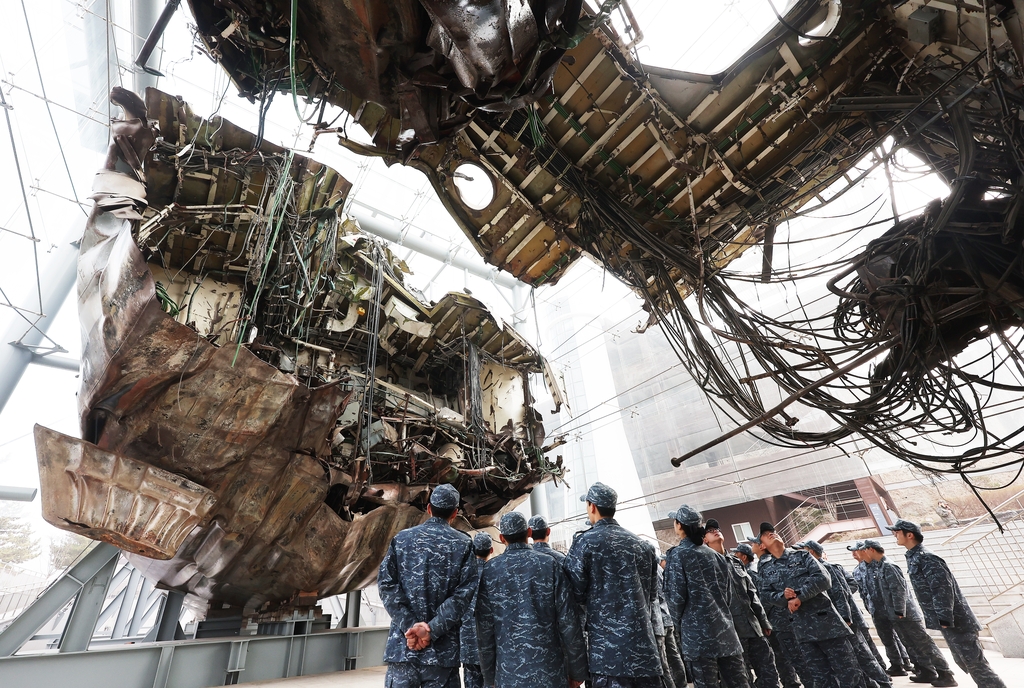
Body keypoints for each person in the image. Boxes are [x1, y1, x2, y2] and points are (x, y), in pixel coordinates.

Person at [377, 484, 478, 688]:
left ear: (429, 508)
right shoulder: (463, 544)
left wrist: (410, 626)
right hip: (442, 655)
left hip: (404, 649)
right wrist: (431, 630)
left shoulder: (402, 539)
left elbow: (386, 585)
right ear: (455, 513)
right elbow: (462, 597)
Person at [564, 482, 663, 687]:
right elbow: (653, 594)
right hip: (646, 654)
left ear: (592, 506)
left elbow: (575, 594)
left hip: (609, 658)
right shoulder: (643, 546)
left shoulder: (585, 543)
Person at [888, 519, 1006, 688]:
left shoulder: (927, 557)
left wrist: (944, 619)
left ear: (909, 535)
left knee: (976, 664)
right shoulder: (915, 557)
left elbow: (942, 589)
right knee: (967, 662)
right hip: (949, 622)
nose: (894, 535)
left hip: (956, 621)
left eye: (897, 532)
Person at [475, 512, 588, 688]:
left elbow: (484, 631)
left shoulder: (490, 571)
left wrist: (490, 678)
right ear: (528, 532)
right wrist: (577, 671)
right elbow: (569, 622)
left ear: (501, 538)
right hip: (550, 672)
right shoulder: (549, 564)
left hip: (508, 675)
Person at [757, 522, 865, 688]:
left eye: (773, 531)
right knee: (820, 677)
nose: (771, 533)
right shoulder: (766, 568)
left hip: (827, 624)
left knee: (848, 671)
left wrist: (799, 596)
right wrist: (782, 597)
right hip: (800, 630)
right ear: (762, 545)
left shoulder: (802, 556)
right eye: (766, 534)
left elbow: (824, 578)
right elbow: (765, 594)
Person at [663, 506, 750, 688]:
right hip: (726, 632)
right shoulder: (716, 556)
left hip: (698, 639)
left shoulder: (678, 556)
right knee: (739, 683)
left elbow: (675, 599)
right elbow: (727, 595)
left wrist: (682, 626)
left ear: (679, 525)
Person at [861, 539, 958, 686]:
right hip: (896, 615)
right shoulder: (881, 567)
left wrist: (899, 611)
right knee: (912, 645)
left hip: (906, 615)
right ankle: (927, 671)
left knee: (924, 644)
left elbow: (898, 590)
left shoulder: (889, 566)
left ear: (871, 550)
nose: (863, 553)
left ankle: (946, 673)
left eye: (865, 550)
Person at [794, 540, 891, 688]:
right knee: (851, 659)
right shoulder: (809, 572)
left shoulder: (827, 568)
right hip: (833, 622)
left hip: (846, 620)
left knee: (862, 655)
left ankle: (884, 682)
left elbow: (840, 594)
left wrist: (845, 618)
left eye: (801, 551)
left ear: (811, 553)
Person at [705, 520, 778, 688]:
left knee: (769, 672)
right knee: (740, 678)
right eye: (710, 530)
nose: (715, 531)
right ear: (705, 540)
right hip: (730, 632)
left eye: (717, 528)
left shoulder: (736, 562)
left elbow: (752, 594)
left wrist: (763, 620)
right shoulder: (706, 564)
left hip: (752, 626)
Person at [744, 536, 806, 688]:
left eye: (754, 543)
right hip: (775, 619)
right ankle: (791, 683)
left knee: (794, 657)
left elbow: (766, 596)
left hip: (779, 619)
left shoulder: (767, 564)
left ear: (762, 546)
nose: (752, 545)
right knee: (784, 657)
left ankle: (794, 683)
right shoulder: (762, 565)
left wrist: (763, 618)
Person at [851, 542, 911, 676]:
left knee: (902, 636)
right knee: (887, 639)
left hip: (889, 608)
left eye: (857, 550)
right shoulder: (857, 570)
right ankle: (897, 664)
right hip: (875, 609)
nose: (854, 554)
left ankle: (908, 661)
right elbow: (862, 590)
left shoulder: (880, 564)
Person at [461, 532, 493, 688]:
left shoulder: (464, 575)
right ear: (491, 550)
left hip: (468, 644)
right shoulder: (495, 574)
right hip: (492, 645)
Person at [658, 555, 689, 688]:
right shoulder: (659, 570)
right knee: (673, 656)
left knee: (663, 660)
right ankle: (682, 684)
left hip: (658, 621)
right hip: (667, 618)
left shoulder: (649, 571)